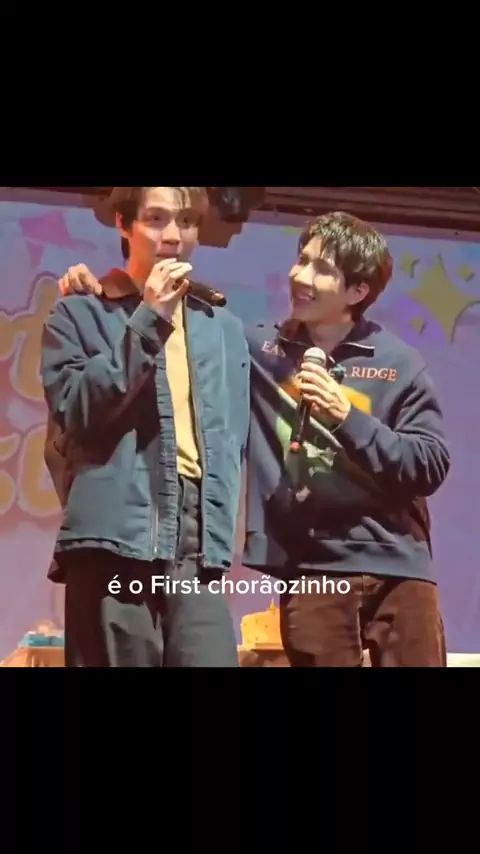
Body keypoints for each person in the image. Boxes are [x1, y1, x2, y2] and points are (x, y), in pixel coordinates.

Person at [57, 210, 451, 667]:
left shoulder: (398, 363)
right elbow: (188, 337)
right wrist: (103, 289)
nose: (299, 276)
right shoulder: (258, 349)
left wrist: (347, 417)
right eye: (301, 260)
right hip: (311, 570)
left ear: (357, 292)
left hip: (396, 564)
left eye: (321, 269)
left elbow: (428, 465)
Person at [41, 186, 250, 667]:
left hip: (196, 547)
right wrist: (150, 317)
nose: (174, 235)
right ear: (123, 223)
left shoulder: (222, 326)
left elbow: (235, 436)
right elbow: (78, 412)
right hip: (117, 534)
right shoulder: (81, 311)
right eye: (156, 219)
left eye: (187, 221)